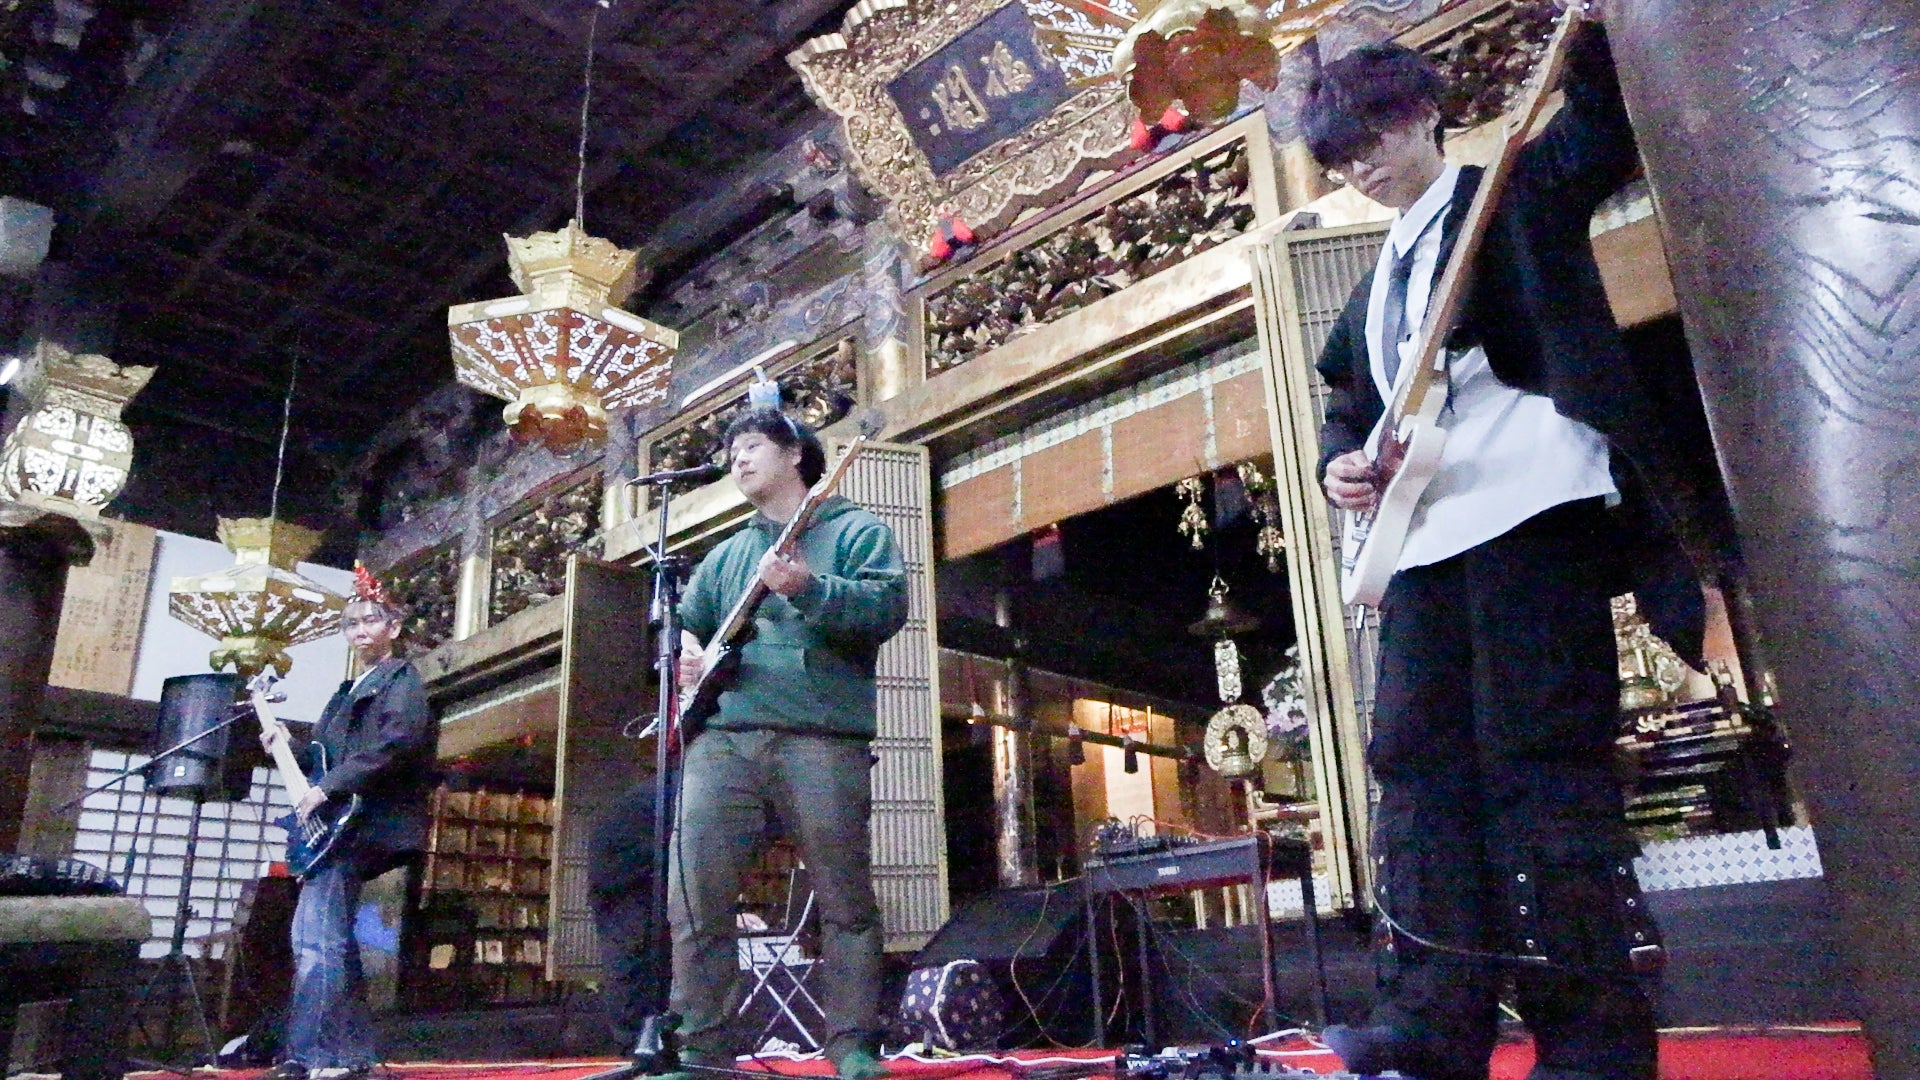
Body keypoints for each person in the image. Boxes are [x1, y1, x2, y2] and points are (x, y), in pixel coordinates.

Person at [1301, 8, 1734, 1080]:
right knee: (1414, 769)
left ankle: (1590, 1039)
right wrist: (1338, 464)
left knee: (1536, 761)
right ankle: (1428, 1020)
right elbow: (1347, 404)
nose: (1363, 167)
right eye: (1342, 158)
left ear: (1425, 114)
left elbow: (1601, 127)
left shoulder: (1513, 193)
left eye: (1375, 137)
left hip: (1536, 511)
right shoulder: (1369, 289)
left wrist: (1593, 32)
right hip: (1424, 543)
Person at [662, 407, 907, 1080]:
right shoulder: (726, 554)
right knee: (694, 896)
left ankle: (852, 1044)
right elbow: (686, 623)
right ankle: (701, 1048)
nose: (737, 460)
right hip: (722, 737)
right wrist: (686, 654)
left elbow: (886, 609)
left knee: (844, 897)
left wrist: (809, 588)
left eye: (750, 446)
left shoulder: (856, 530)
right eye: (731, 452)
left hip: (821, 736)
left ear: (796, 453)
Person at [262, 565, 438, 1080]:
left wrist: (329, 787)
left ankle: (314, 1056)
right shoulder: (346, 691)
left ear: (393, 628)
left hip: (359, 822)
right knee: (323, 938)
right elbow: (326, 756)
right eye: (352, 624)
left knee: (317, 941)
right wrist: (289, 746)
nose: (360, 631)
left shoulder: (401, 679)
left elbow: (398, 741)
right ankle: (348, 1054)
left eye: (370, 621)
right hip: (340, 822)